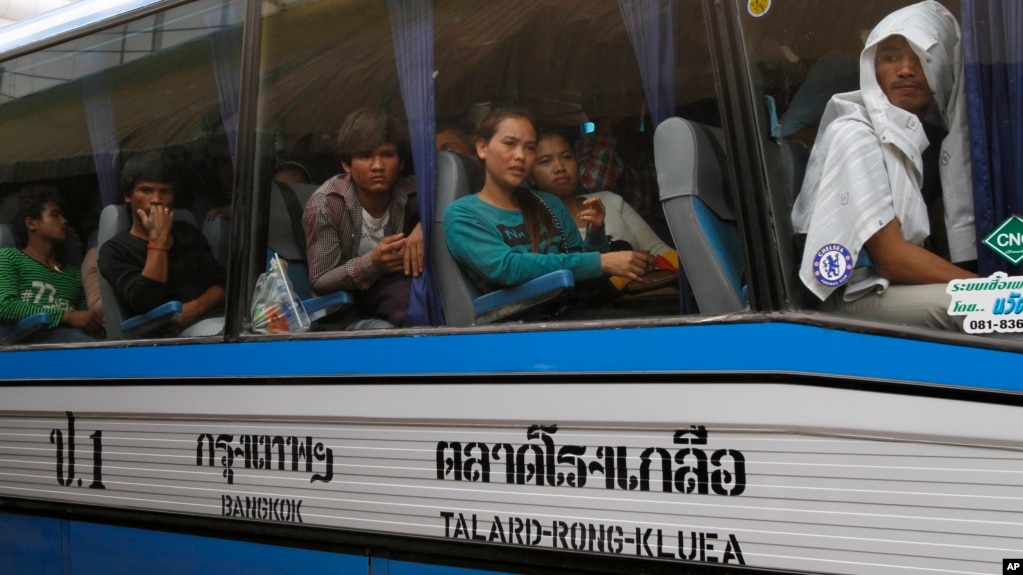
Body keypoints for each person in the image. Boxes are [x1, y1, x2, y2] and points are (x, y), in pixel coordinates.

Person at [791, 1, 975, 331]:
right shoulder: (855, 133)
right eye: (890, 57)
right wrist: (984, 286)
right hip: (854, 294)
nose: (906, 69)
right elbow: (892, 259)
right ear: (873, 70)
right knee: (1001, 310)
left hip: (894, 289)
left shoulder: (927, 142)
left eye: (921, 58)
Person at [443, 108, 656, 311]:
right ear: (482, 147)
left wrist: (595, 234)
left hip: (577, 310)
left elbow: (581, 267)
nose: (520, 156)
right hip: (526, 325)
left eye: (530, 147)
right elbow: (508, 268)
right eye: (510, 144)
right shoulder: (462, 215)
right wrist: (600, 261)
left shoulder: (548, 203)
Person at [302, 108, 423, 329]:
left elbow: (453, 196)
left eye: (387, 154)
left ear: (401, 161)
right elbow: (320, 280)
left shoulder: (413, 192)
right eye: (365, 156)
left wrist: (425, 227)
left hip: (396, 293)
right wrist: (373, 263)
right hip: (345, 310)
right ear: (347, 164)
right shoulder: (326, 204)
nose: (378, 166)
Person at [530, 128, 679, 291]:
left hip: (658, 292)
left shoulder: (609, 200)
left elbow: (657, 248)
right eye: (545, 161)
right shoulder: (536, 223)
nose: (559, 167)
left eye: (567, 157)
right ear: (530, 177)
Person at [99, 151, 226, 337]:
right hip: (164, 338)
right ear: (128, 196)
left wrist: (196, 307)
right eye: (146, 190)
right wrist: (158, 240)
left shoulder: (187, 234)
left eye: (165, 191)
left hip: (210, 320)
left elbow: (221, 283)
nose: (157, 200)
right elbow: (146, 301)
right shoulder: (115, 250)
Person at [0, 187, 104, 342]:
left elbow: (83, 316)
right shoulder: (9, 258)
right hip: (29, 341)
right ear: (31, 223)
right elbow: (5, 307)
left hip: (72, 339)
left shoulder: (74, 274)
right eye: (55, 215)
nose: (64, 221)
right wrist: (65, 316)